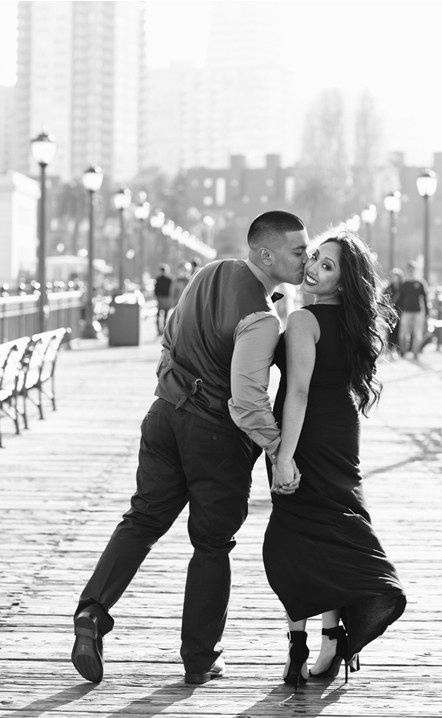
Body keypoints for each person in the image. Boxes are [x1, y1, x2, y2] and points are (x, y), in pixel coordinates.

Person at [70, 211, 310, 685]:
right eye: (298, 251)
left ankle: (91, 614)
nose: (307, 258)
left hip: (163, 415)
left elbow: (168, 343)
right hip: (215, 436)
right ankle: (200, 658)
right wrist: (281, 452)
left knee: (141, 520)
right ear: (266, 254)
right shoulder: (260, 319)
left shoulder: (206, 274)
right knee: (212, 544)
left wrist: (175, 394)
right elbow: (246, 402)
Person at [263, 231, 406, 687]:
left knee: (295, 536)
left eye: (327, 266)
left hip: (305, 433)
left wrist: (284, 456)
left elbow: (299, 391)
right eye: (315, 258)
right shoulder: (356, 323)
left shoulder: (305, 320)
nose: (312, 268)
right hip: (342, 433)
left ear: (343, 283)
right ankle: (330, 641)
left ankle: (296, 647)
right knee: (332, 529)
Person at [396, 261, 427, 358]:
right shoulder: (404, 284)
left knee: (417, 333)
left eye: (412, 270)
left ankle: (415, 351)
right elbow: (399, 299)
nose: (411, 272)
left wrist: (427, 311)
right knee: (403, 332)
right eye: (409, 270)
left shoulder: (420, 283)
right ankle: (403, 350)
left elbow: (425, 298)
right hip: (406, 311)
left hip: (418, 311)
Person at [386, 268, 404, 355]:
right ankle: (390, 350)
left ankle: (398, 350)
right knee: (391, 331)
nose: (395, 278)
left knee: (400, 331)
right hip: (391, 313)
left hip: (401, 312)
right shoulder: (388, 288)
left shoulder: (402, 288)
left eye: (397, 277)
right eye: (393, 276)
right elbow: (383, 299)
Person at [153, 264, 173, 333]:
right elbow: (156, 290)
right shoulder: (159, 279)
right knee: (159, 315)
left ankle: (164, 330)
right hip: (161, 299)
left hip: (166, 299)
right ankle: (159, 330)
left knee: (165, 316)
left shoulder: (170, 279)